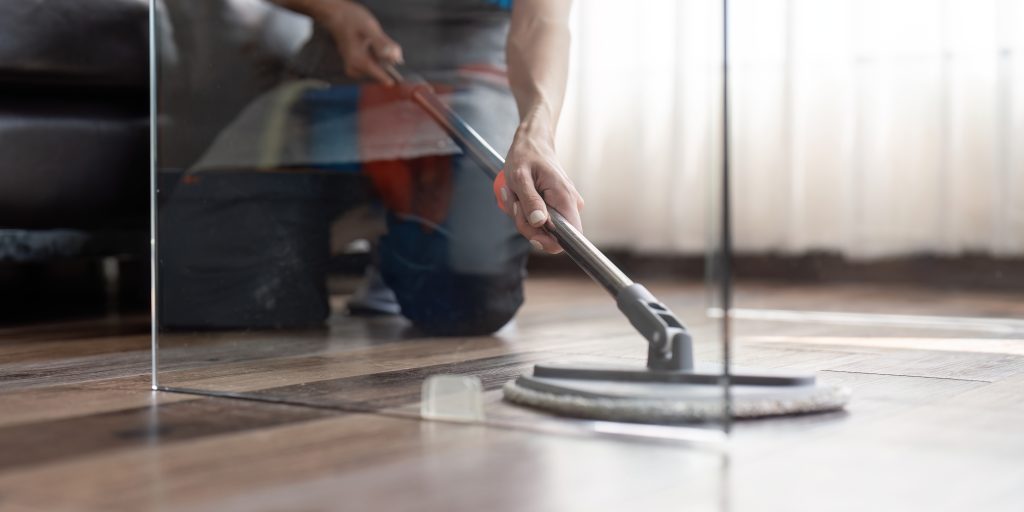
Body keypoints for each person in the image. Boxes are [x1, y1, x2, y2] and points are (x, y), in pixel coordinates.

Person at [159, 0, 582, 336]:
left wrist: (535, 134)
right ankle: (371, 218)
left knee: (463, 305)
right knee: (209, 285)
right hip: (336, 75)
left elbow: (540, 23)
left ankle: (394, 234)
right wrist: (333, 10)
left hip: (469, 86)